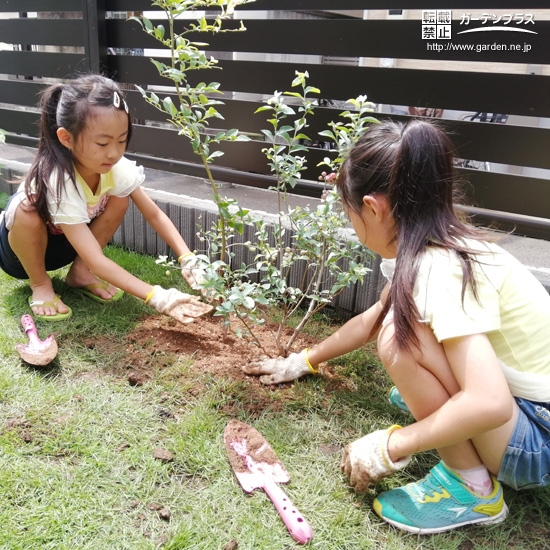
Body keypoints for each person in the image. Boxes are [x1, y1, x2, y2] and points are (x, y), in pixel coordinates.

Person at [243, 119, 550, 534]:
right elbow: (371, 319)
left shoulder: (439, 269)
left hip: (538, 443)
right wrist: (303, 361)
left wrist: (391, 445)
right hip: (534, 411)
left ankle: (474, 490)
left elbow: (490, 402)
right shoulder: (438, 241)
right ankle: (449, 420)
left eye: (350, 213)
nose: (351, 224)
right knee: (395, 327)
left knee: (401, 343)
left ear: (373, 207)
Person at [0, 74, 212, 323]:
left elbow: (153, 213)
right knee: (26, 210)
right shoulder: (60, 180)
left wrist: (188, 258)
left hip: (69, 242)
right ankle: (40, 284)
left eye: (121, 140)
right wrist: (157, 296)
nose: (114, 152)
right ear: (66, 138)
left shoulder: (114, 168)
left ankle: (79, 273)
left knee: (120, 198)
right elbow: (97, 260)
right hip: (21, 253)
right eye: (102, 143)